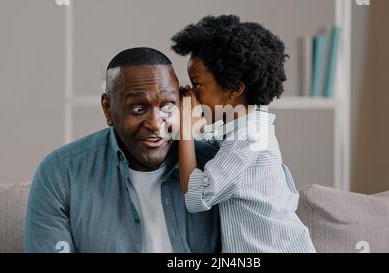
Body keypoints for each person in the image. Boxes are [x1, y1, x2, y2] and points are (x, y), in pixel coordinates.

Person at [24, 47, 221, 253]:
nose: (155, 123)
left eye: (168, 106)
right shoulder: (60, 174)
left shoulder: (217, 167)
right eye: (138, 108)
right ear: (108, 109)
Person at [172, 15, 316, 253]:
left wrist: (185, 130)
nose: (192, 94)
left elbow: (197, 196)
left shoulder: (251, 137)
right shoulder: (239, 131)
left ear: (234, 88)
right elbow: (206, 140)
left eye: (197, 85)